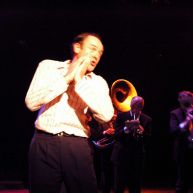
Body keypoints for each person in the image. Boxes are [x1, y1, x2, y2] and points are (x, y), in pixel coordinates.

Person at [25, 32, 114, 193]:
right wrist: (66, 78)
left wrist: (79, 81)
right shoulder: (48, 66)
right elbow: (31, 102)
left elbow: (106, 115)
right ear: (77, 47)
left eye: (100, 53)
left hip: (78, 145)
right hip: (44, 143)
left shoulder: (98, 82)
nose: (96, 56)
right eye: (93, 49)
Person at [111, 96, 152, 193]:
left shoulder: (147, 119)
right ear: (130, 105)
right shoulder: (121, 116)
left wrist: (142, 131)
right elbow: (116, 136)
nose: (136, 108)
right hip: (121, 156)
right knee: (119, 186)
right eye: (134, 105)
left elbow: (149, 139)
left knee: (135, 186)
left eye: (139, 106)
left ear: (142, 107)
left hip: (137, 157)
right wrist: (126, 129)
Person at [169, 90, 193, 193]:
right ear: (179, 100)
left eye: (187, 96)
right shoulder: (175, 113)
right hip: (182, 151)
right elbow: (173, 131)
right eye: (182, 97)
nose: (185, 98)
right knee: (182, 181)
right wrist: (187, 121)